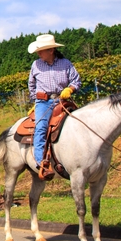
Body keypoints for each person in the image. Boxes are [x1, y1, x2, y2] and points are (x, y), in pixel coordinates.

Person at [27, 34, 81, 180]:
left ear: (51, 50)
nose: (39, 53)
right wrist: (35, 101)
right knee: (41, 127)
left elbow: (76, 80)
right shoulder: (36, 65)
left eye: (41, 50)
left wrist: (70, 89)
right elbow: (31, 85)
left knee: (78, 124)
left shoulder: (65, 63)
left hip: (62, 100)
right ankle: (42, 163)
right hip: (43, 102)